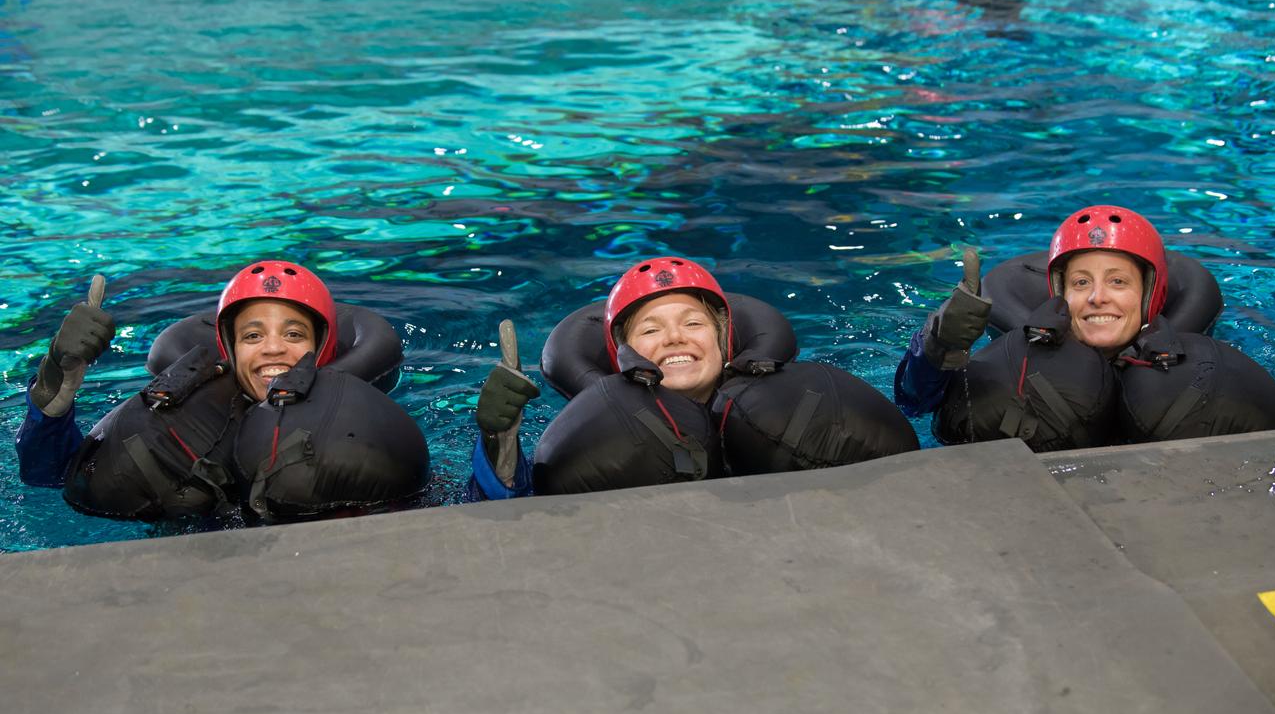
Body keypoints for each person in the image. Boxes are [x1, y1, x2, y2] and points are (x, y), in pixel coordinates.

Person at [469, 257, 919, 499]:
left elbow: (913, 413)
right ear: (621, 353)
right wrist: (498, 442)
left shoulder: (793, 403)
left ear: (725, 341)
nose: (674, 338)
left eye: (694, 323)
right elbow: (512, 508)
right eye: (650, 329)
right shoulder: (592, 430)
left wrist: (934, 357)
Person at [17, 260, 428, 521]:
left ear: (323, 348)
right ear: (229, 350)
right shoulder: (183, 417)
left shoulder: (360, 428)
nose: (272, 348)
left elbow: (440, 507)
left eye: (293, 333)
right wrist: (54, 399)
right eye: (252, 335)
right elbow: (54, 483)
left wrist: (492, 461)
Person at [894, 204, 1275, 449]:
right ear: (1059, 293)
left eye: (1118, 282)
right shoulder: (1016, 362)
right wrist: (938, 345)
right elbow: (913, 405)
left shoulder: (1199, 371)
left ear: (1149, 295)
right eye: (1081, 283)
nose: (1097, 297)